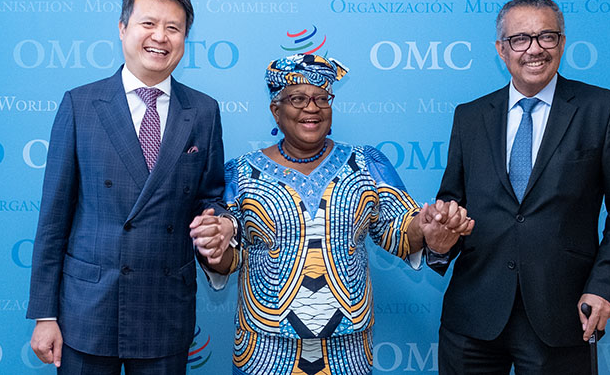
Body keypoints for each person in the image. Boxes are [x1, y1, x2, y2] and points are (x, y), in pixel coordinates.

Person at [189, 53, 473, 375]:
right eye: (297, 98)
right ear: (275, 111)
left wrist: (428, 229)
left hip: (347, 350)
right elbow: (229, 258)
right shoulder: (238, 174)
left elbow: (399, 229)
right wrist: (214, 249)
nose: (312, 108)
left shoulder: (366, 164)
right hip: (265, 350)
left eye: (322, 98)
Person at [428, 0, 610, 374]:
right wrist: (438, 242)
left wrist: (605, 288)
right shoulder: (470, 116)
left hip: (561, 316)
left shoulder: (603, 109)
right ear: (501, 49)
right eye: (520, 39)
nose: (534, 49)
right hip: (473, 316)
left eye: (546, 37)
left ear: (562, 43)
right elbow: (453, 203)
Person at [26, 0, 233, 374]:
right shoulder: (81, 105)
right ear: (123, 29)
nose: (161, 37)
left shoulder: (203, 112)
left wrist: (218, 222)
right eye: (148, 24)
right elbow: (53, 219)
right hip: (87, 309)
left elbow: (210, 196)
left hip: (164, 306)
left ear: (185, 39)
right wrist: (44, 314)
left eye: (173, 28)